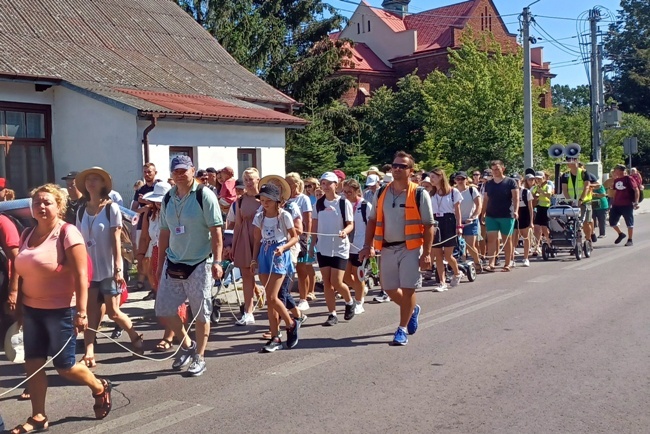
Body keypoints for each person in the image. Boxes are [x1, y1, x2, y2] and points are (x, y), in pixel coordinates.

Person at [12, 184, 111, 434]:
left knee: (65, 366)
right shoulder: (27, 234)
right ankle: (38, 416)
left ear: (59, 206)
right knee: (33, 364)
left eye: (47, 202)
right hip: (32, 309)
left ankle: (99, 387)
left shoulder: (68, 233)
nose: (42, 207)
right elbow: (21, 269)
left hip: (61, 310)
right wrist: (18, 302)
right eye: (37, 203)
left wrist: (81, 311)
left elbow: (81, 276)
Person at [156, 155, 223, 376]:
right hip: (173, 261)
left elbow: (216, 231)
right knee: (164, 308)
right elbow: (164, 232)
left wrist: (218, 261)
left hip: (199, 262)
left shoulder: (205, 195)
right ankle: (187, 346)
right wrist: (159, 265)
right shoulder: (168, 198)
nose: (180, 174)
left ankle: (200, 357)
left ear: (193, 170)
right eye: (176, 171)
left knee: (201, 313)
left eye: (184, 170)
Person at [360, 151, 434, 345]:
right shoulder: (381, 192)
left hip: (410, 248)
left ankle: (401, 329)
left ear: (411, 170)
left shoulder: (419, 193)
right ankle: (412, 309)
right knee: (390, 289)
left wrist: (426, 253)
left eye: (402, 166)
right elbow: (372, 220)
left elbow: (429, 225)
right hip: (386, 248)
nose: (397, 169)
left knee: (407, 288)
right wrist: (367, 245)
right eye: (395, 165)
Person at [75, 167, 143, 367]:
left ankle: (135, 336)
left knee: (113, 311)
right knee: (90, 311)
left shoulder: (110, 208)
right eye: (89, 180)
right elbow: (78, 242)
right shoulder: (81, 210)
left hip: (108, 269)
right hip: (89, 270)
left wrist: (118, 268)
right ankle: (89, 352)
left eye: (96, 179)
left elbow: (116, 241)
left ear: (103, 184)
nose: (92, 183)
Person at [251, 183, 301, 352]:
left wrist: (284, 248)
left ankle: (291, 323)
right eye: (262, 200)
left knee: (273, 297)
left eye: (268, 200)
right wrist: (253, 260)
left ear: (276, 201)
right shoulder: (259, 217)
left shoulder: (284, 216)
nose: (264, 203)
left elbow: (294, 237)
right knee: (269, 301)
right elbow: (257, 240)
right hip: (264, 254)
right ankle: (275, 337)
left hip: (279, 254)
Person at [309, 172, 356, 326]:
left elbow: (350, 224)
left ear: (336, 185)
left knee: (336, 281)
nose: (326, 186)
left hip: (340, 247)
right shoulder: (318, 204)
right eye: (323, 183)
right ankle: (332, 314)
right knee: (327, 283)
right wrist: (311, 246)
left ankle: (349, 301)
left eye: (329, 183)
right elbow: (314, 226)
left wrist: (345, 232)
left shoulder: (343, 203)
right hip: (323, 248)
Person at [231, 168, 261, 326]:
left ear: (258, 180)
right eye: (246, 179)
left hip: (262, 239)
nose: (249, 182)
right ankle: (248, 312)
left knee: (264, 276)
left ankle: (278, 310)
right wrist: (233, 245)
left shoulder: (264, 198)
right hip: (244, 238)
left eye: (252, 179)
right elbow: (237, 224)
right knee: (246, 277)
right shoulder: (240, 200)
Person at [285, 173, 316, 311]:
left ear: (297, 184)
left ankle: (303, 298)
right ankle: (287, 297)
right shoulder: (284, 199)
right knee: (289, 269)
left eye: (290, 184)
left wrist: (307, 236)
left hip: (301, 236)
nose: (289, 187)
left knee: (302, 269)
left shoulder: (303, 199)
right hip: (287, 237)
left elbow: (308, 219)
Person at [481, 160, 519, 272]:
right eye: (493, 169)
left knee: (507, 240)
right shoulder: (489, 184)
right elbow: (486, 199)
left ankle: (508, 263)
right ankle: (491, 263)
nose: (495, 171)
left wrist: (516, 211)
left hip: (506, 215)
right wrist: (483, 213)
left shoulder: (511, 182)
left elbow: (516, 198)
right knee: (491, 240)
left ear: (503, 168)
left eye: (497, 169)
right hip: (491, 215)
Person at [429, 168, 463, 291]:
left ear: (440, 177)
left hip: (448, 221)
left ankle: (457, 272)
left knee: (448, 255)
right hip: (435, 222)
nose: (431, 179)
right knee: (437, 254)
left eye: (433, 177)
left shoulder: (453, 192)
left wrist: (459, 226)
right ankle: (442, 282)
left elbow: (458, 211)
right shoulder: (431, 193)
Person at [342, 179, 371, 314]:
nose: (347, 194)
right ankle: (361, 289)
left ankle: (359, 302)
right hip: (345, 245)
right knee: (345, 276)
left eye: (350, 192)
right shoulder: (342, 204)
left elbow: (372, 226)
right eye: (345, 192)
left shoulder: (365, 205)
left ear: (357, 191)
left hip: (360, 245)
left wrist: (370, 245)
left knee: (358, 274)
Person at [131, 163, 160, 291]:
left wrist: (147, 203)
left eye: (149, 172)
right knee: (143, 256)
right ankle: (143, 282)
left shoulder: (159, 187)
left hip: (157, 223)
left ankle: (154, 287)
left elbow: (161, 204)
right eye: (145, 172)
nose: (147, 174)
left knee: (154, 255)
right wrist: (145, 207)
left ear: (155, 172)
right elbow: (134, 210)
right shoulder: (140, 190)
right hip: (143, 225)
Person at [561, 158, 598, 243]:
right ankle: (576, 241)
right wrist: (570, 200)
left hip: (585, 202)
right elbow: (565, 190)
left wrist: (581, 199)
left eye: (571, 160)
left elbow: (586, 187)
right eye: (568, 161)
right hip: (572, 203)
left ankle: (588, 240)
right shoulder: (566, 175)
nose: (569, 163)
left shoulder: (584, 173)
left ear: (576, 161)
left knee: (586, 222)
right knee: (573, 223)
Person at [455, 171, 482, 270]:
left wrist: (474, 216)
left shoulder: (472, 190)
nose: (460, 181)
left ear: (466, 180)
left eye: (462, 179)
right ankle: (463, 265)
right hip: (458, 221)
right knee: (459, 245)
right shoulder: (453, 191)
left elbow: (479, 205)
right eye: (458, 179)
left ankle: (477, 262)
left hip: (470, 222)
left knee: (470, 246)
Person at [609, 164, 640, 246]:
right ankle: (621, 234)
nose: (614, 171)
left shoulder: (628, 179)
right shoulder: (616, 180)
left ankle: (630, 239)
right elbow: (615, 192)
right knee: (612, 222)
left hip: (627, 204)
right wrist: (612, 202)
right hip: (616, 205)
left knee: (629, 223)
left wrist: (636, 202)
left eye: (616, 170)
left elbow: (636, 190)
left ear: (619, 170)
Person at [515, 174, 536, 267]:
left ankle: (526, 258)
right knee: (513, 238)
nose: (515, 183)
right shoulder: (510, 191)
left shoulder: (526, 192)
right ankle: (511, 259)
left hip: (524, 214)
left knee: (526, 237)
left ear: (521, 181)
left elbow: (530, 208)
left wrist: (531, 221)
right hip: (514, 214)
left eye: (517, 181)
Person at [531, 171, 552, 249]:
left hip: (546, 208)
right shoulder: (535, 187)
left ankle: (549, 243)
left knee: (545, 228)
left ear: (544, 178)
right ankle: (537, 246)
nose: (538, 180)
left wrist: (542, 192)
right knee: (536, 227)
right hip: (538, 208)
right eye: (536, 178)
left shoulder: (548, 186)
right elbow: (532, 196)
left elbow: (549, 195)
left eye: (539, 178)